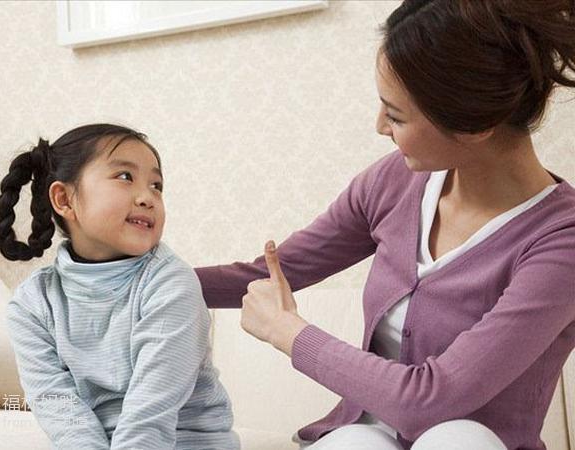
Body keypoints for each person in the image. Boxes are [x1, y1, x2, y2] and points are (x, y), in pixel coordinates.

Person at [194, 1, 575, 449]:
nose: (380, 126)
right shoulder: (394, 182)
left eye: (395, 115)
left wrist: (287, 331)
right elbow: (271, 274)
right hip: (362, 437)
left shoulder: (561, 242)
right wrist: (134, 270)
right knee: (359, 444)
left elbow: (430, 399)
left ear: (474, 125)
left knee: (459, 438)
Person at [0, 124, 239, 449]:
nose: (148, 197)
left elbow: (150, 417)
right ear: (64, 199)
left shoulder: (170, 284)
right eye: (125, 177)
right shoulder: (32, 304)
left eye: (156, 185)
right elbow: (61, 412)